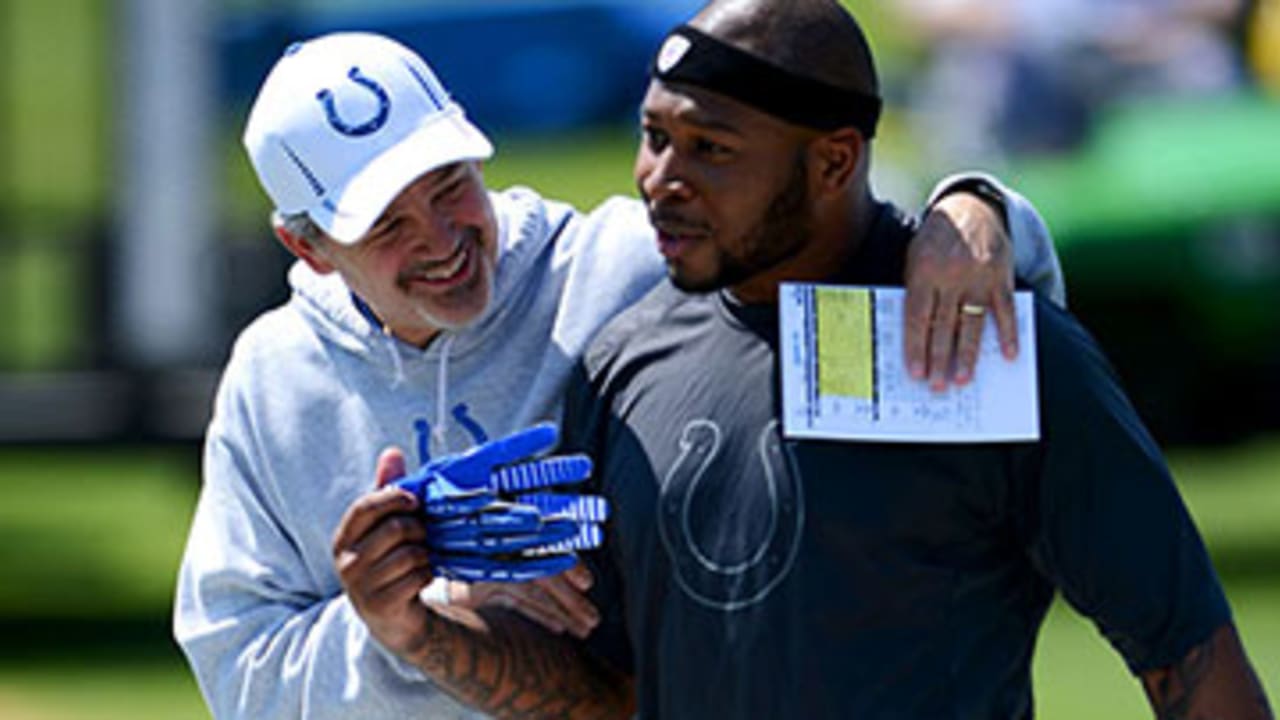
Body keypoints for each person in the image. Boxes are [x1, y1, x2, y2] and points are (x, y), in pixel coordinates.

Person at [172, 31, 1065, 720]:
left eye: (449, 186)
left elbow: (923, 267)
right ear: (308, 248)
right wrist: (424, 616)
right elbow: (239, 672)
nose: (443, 242)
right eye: (386, 225)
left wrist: (977, 212)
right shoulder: (272, 378)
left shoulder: (636, 265)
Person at [548, 1, 1272, 717]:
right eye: (653, 135)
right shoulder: (622, 362)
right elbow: (603, 685)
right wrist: (433, 620)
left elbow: (1189, 658)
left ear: (833, 161)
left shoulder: (992, 345)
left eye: (712, 148)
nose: (660, 178)